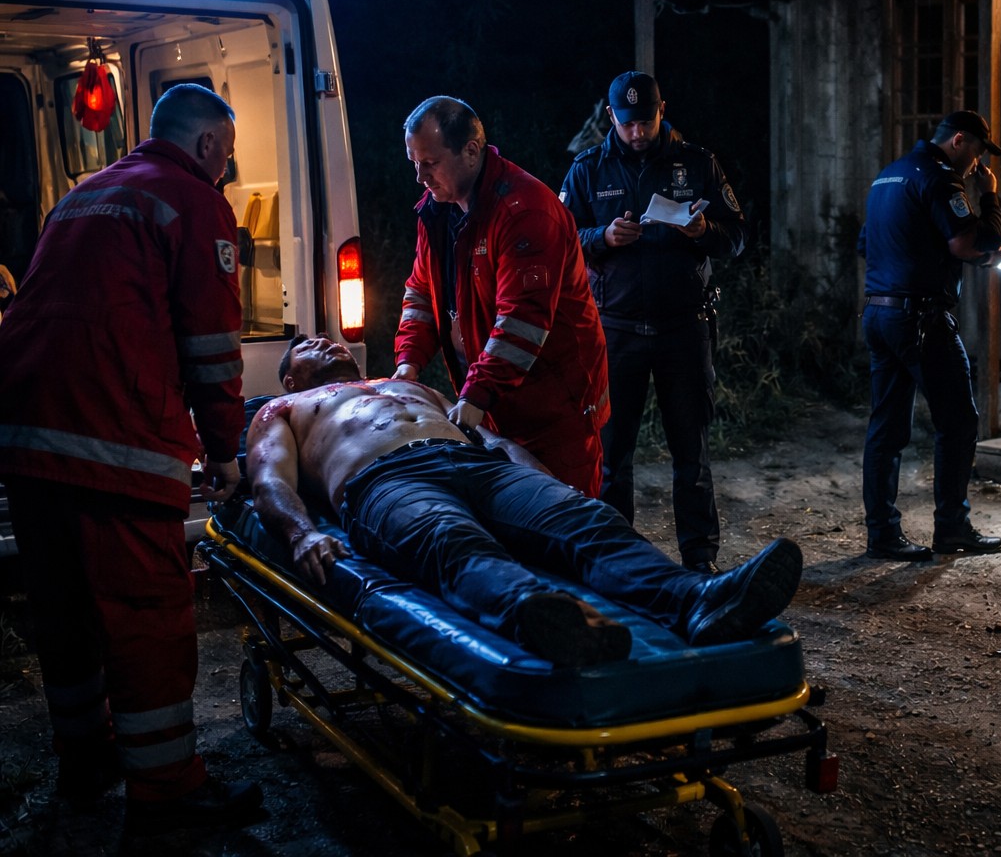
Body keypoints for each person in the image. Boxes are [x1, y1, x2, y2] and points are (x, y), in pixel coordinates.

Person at [0, 84, 263, 831]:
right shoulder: (192, 199)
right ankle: (167, 789)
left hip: (25, 434)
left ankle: (84, 761)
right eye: (227, 152)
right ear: (207, 145)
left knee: (64, 611)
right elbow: (212, 347)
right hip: (112, 436)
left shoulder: (83, 196)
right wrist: (225, 453)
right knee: (146, 616)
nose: (227, 166)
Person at [247, 336, 802, 667]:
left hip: (476, 465)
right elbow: (269, 479)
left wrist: (543, 482)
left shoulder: (409, 385)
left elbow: (490, 438)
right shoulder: (286, 409)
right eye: (309, 345)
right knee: (452, 541)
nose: (327, 342)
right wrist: (302, 533)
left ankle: (699, 600)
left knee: (587, 520)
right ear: (290, 377)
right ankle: (547, 618)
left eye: (327, 338)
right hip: (386, 482)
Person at [559, 72, 746, 574]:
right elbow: (560, 239)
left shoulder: (698, 163)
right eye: (627, 124)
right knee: (611, 456)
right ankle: (615, 560)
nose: (638, 133)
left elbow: (736, 237)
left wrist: (703, 229)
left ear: (663, 110)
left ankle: (700, 561)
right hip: (615, 331)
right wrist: (602, 237)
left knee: (691, 451)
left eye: (646, 121)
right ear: (610, 118)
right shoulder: (588, 169)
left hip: (683, 329)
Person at [394, 96, 610, 498]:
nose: (420, 177)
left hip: (554, 408)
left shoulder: (525, 212)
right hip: (496, 401)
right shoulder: (437, 211)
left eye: (430, 163)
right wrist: (408, 362)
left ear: (470, 151)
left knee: (568, 515)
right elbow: (422, 292)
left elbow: (523, 321)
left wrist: (477, 394)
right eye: (414, 163)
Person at [857, 110, 1001, 562]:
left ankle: (882, 535)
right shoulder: (941, 178)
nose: (978, 163)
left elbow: (868, 244)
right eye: (978, 152)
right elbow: (967, 243)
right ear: (959, 141)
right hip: (921, 318)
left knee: (886, 429)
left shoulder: (889, 175)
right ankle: (952, 528)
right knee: (958, 421)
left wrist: (941, 259)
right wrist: (990, 198)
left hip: (880, 313)